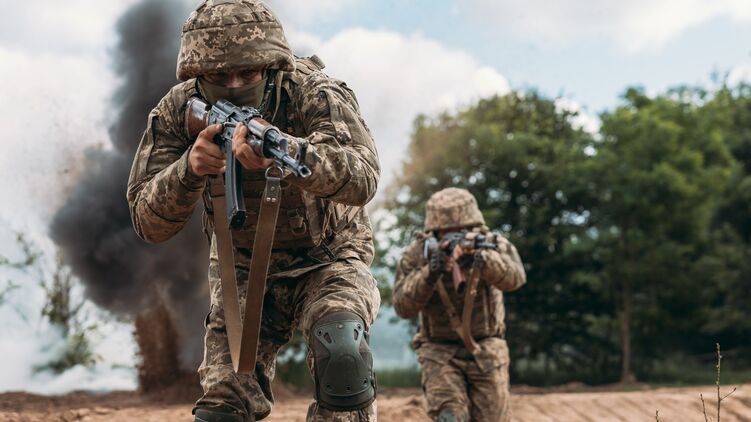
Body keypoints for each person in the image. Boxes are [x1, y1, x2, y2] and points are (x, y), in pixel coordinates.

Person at [126, 1, 380, 421]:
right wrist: (189, 169)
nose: (235, 84)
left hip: (329, 259)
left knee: (343, 355)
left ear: (271, 65)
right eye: (219, 76)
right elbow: (146, 220)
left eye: (249, 73)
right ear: (196, 74)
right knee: (222, 409)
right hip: (242, 269)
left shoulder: (312, 92)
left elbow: (363, 177)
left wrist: (290, 153)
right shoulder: (178, 109)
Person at [392, 188, 526, 422]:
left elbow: (515, 279)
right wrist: (431, 272)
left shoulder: (492, 244)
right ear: (434, 230)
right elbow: (403, 306)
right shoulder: (419, 254)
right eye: (447, 232)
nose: (455, 237)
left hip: (486, 350)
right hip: (439, 352)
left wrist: (483, 260)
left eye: (462, 231)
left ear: (474, 226)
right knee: (450, 417)